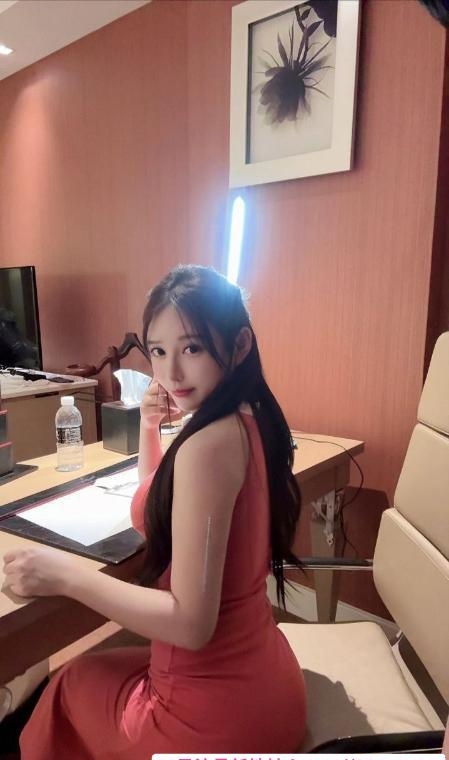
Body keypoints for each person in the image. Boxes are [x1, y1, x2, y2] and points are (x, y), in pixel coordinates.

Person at [3, 264, 306, 758]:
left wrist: (66, 576)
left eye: (192, 348)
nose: (170, 373)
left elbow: (190, 624)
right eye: (159, 351)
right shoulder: (251, 420)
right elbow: (158, 501)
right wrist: (149, 429)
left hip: (214, 720)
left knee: (65, 689)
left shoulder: (208, 445)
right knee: (81, 672)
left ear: (239, 345)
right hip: (266, 685)